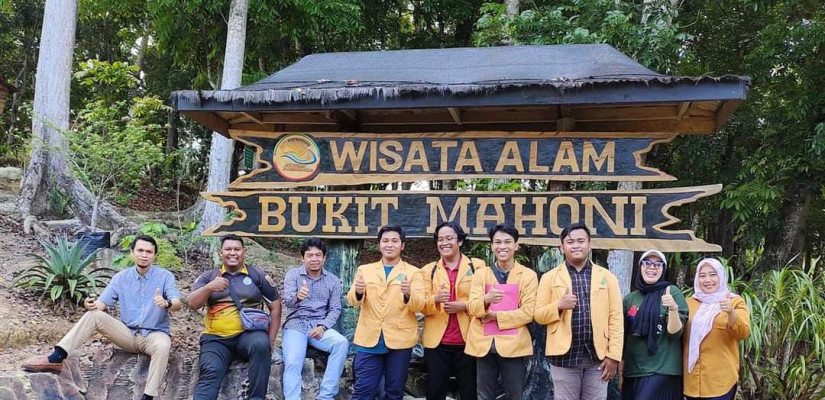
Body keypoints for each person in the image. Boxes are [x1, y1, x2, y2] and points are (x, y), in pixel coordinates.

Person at [22, 235, 181, 400]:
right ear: (132, 252)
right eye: (140, 250)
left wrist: (166, 303)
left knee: (163, 345)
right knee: (94, 315)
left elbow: (177, 304)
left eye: (149, 252)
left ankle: (148, 397)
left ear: (154, 255)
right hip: (128, 334)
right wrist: (89, 304)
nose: (144, 255)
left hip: (154, 335)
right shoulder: (121, 278)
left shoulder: (165, 277)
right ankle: (57, 357)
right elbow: (101, 304)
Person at [534, 222, 623, 400]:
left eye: (581, 241)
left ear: (589, 244)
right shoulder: (549, 278)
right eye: (570, 242)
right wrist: (558, 306)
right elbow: (539, 315)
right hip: (563, 358)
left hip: (597, 358)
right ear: (562, 247)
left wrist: (613, 356)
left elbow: (616, 318)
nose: (576, 245)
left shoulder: (607, 277)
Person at [189, 234, 282, 400]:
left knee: (261, 345)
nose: (232, 253)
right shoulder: (209, 276)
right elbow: (192, 304)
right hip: (216, 338)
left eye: (237, 249)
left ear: (244, 252)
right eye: (228, 249)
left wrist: (271, 341)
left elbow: (276, 307)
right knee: (210, 372)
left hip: (248, 334)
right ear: (221, 252)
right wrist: (209, 288)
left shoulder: (257, 275)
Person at [346, 225, 425, 400]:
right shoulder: (365, 270)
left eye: (394, 241)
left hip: (400, 340)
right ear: (379, 244)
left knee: (394, 392)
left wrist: (408, 294)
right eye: (385, 241)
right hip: (369, 339)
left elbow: (420, 305)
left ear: (402, 245)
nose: (389, 245)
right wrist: (358, 291)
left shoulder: (413, 272)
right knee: (363, 390)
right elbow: (352, 300)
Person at [465, 224, 538, 400]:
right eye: (497, 242)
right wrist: (486, 300)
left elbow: (529, 312)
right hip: (484, 343)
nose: (502, 246)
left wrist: (496, 316)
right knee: (484, 395)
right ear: (492, 246)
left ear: (516, 245)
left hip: (514, 344)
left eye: (507, 242)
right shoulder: (481, 274)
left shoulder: (528, 275)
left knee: (514, 394)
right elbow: (472, 307)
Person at [421, 222, 486, 400]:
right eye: (440, 239)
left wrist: (463, 306)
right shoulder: (428, 270)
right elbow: (421, 305)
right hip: (437, 344)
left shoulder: (477, 266)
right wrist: (435, 299)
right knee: (435, 392)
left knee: (469, 392)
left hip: (468, 340)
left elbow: (484, 300)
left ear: (460, 241)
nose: (444, 243)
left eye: (449, 238)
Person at [281, 238, 349, 400]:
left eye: (318, 255)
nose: (314, 259)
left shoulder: (332, 280)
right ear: (302, 258)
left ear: (324, 258)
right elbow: (287, 302)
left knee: (341, 343)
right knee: (292, 361)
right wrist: (298, 297)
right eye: (309, 255)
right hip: (296, 325)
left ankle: (326, 396)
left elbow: (335, 309)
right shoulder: (293, 275)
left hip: (318, 325)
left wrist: (323, 326)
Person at [620, 250, 688, 400]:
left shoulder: (672, 292)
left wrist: (673, 308)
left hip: (662, 369)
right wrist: (621, 370)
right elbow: (623, 337)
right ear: (640, 267)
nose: (652, 267)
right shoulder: (630, 299)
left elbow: (675, 333)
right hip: (633, 370)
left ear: (663, 269)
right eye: (647, 263)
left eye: (658, 264)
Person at [683, 258, 750, 400]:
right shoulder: (688, 303)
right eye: (702, 276)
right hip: (691, 380)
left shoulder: (734, 301)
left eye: (713, 274)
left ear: (721, 276)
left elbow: (743, 333)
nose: (707, 280)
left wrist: (731, 312)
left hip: (720, 381)